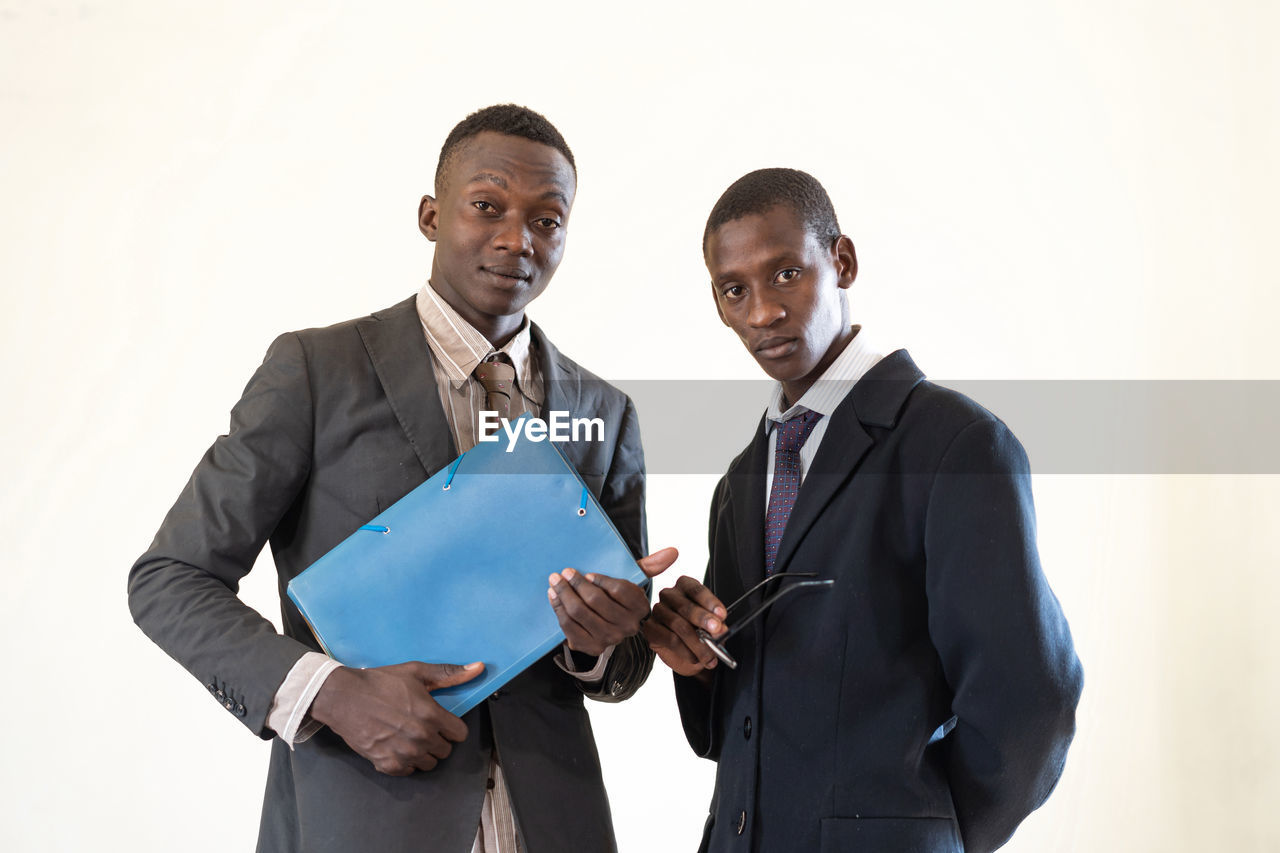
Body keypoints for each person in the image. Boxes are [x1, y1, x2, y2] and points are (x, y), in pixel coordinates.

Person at [129, 104, 675, 853]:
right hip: (358, 816)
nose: (518, 239)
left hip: (554, 824)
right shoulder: (316, 371)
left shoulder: (604, 412)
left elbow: (623, 662)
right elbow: (169, 576)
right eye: (487, 206)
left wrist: (603, 642)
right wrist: (332, 692)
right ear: (430, 214)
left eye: (548, 220)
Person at [643, 168, 1083, 853]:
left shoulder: (955, 444)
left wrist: (927, 832)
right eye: (736, 290)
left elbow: (1031, 701)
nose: (762, 311)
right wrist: (697, 661)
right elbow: (742, 725)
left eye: (786, 273)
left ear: (841, 261)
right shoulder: (740, 480)